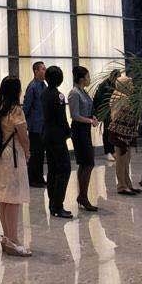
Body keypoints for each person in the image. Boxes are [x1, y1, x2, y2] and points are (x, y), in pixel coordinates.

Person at [0, 76, 32, 256]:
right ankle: (13, 240)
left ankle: (7, 237)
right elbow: (23, 136)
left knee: (5, 198)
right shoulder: (16, 110)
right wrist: (27, 151)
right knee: (13, 198)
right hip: (12, 156)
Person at [42, 65, 72, 218]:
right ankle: (58, 205)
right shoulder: (58, 96)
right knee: (64, 169)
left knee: (53, 169)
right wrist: (68, 132)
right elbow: (62, 118)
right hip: (57, 136)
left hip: (46, 134)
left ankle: (52, 203)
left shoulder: (44, 93)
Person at [68, 66, 99, 212]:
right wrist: (89, 120)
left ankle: (82, 196)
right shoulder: (74, 93)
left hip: (85, 130)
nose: (89, 79)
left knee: (86, 164)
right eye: (87, 76)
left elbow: (87, 110)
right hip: (79, 130)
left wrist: (92, 117)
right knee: (88, 163)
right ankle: (83, 196)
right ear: (81, 79)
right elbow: (74, 115)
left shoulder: (83, 92)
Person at [108, 73, 141, 195]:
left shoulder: (123, 96)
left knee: (126, 160)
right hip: (120, 133)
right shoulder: (120, 97)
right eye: (130, 84)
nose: (132, 86)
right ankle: (121, 185)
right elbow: (118, 115)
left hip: (125, 133)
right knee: (121, 160)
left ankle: (127, 183)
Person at [22, 60, 47, 187]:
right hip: (35, 126)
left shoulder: (44, 85)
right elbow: (26, 107)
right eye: (43, 69)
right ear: (36, 71)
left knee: (41, 154)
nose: (45, 71)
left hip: (43, 126)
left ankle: (40, 177)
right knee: (35, 154)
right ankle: (32, 179)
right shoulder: (32, 87)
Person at [94, 68, 120, 161]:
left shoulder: (114, 84)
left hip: (113, 110)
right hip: (106, 111)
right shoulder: (104, 85)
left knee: (112, 131)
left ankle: (112, 151)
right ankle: (108, 152)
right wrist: (98, 113)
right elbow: (98, 99)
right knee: (107, 131)